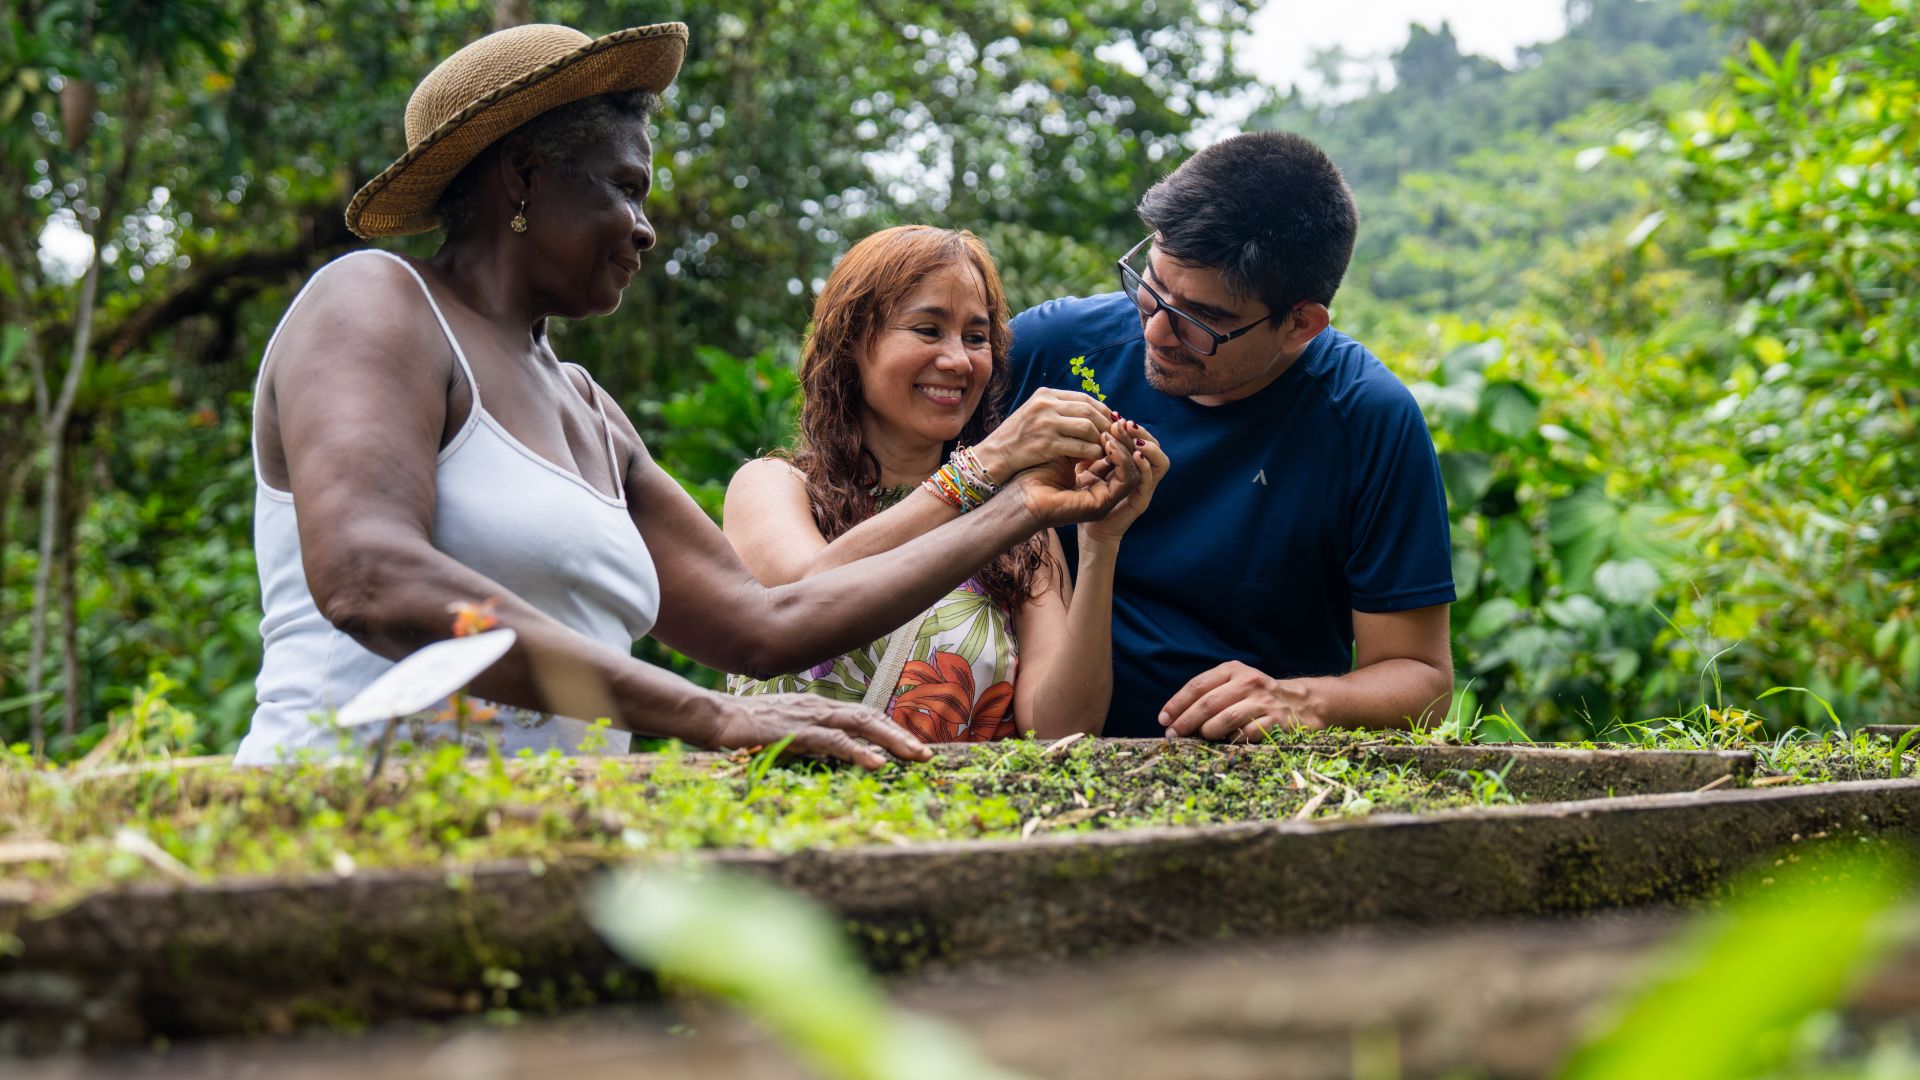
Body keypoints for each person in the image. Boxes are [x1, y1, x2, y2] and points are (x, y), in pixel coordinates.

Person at [234, 23, 1138, 767]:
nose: (645, 228)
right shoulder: (377, 304)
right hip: (350, 819)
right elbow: (370, 578)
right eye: (626, 188)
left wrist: (1021, 506)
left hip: (555, 846)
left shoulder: (588, 411)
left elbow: (765, 625)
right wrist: (709, 716)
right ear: (523, 175)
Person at [1003, 132, 1457, 741]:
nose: (1157, 332)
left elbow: (1422, 679)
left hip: (1243, 769)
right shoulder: (1054, 348)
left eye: (1202, 321)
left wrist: (1301, 701)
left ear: (1301, 323)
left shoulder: (1366, 418)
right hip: (1031, 739)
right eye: (1150, 286)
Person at [723, 226, 1169, 741]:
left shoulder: (1020, 527)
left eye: (976, 338)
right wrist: (986, 463)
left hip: (962, 818)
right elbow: (804, 602)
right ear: (851, 342)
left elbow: (1061, 729)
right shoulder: (776, 486)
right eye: (928, 330)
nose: (958, 360)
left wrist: (1099, 543)